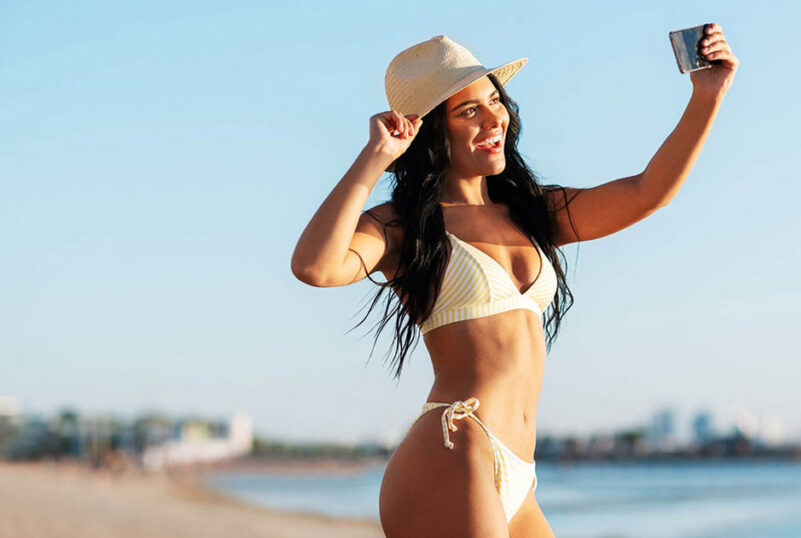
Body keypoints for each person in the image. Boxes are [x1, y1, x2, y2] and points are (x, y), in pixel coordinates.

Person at [291, 27, 737, 538]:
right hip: (456, 446)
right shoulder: (402, 225)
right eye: (468, 111)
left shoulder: (533, 212)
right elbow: (316, 267)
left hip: (518, 476)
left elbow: (646, 193)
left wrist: (708, 96)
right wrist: (375, 159)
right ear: (430, 131)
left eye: (494, 101)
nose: (493, 118)